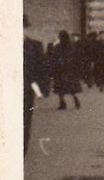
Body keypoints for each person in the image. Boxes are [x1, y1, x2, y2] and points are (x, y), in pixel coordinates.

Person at [23, 16, 45, 155]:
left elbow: (41, 69)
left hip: (26, 92)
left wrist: (40, 91)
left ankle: (21, 150)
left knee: (24, 122)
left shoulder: (35, 46)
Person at [49, 30, 82, 110]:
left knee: (60, 88)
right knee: (71, 88)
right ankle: (76, 100)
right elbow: (77, 57)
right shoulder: (72, 46)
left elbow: (54, 57)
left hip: (60, 70)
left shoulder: (57, 46)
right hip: (70, 70)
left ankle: (62, 103)